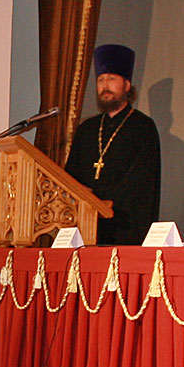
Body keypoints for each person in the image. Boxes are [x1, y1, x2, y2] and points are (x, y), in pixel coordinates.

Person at [63, 44, 162, 245]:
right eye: (100, 80)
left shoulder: (143, 127)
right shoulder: (87, 129)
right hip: (85, 227)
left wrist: (97, 196)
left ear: (127, 85)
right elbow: (70, 176)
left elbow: (141, 182)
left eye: (111, 79)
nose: (105, 86)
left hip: (125, 227)